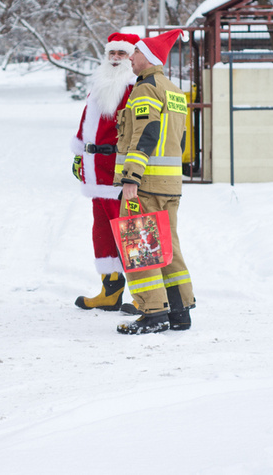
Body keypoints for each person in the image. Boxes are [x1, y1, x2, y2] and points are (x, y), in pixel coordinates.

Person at [114, 29, 195, 335]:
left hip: (145, 182)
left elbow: (145, 135)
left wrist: (131, 177)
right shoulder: (174, 91)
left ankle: (153, 313)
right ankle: (179, 311)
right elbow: (181, 139)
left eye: (135, 51)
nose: (130, 57)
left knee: (140, 245)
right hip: (170, 184)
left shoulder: (145, 89)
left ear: (148, 57)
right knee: (167, 246)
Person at [72, 32, 140, 312]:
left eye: (121, 54)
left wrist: (133, 170)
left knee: (132, 232)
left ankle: (144, 296)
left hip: (119, 173)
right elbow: (86, 122)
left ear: (131, 57)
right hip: (95, 172)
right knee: (102, 233)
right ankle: (110, 291)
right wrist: (79, 155)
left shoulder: (135, 87)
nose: (115, 59)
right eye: (112, 53)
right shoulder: (99, 84)